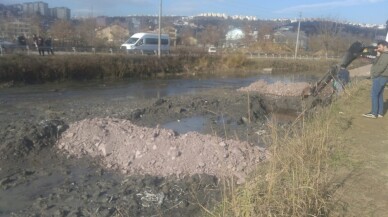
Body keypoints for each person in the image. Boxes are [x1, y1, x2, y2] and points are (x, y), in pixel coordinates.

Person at [362, 40, 388, 118]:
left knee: (374, 94)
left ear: (385, 46)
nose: (378, 48)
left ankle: (373, 113)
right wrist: (378, 55)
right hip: (382, 77)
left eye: (379, 47)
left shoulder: (386, 55)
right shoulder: (383, 54)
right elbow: (374, 63)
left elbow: (381, 67)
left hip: (380, 77)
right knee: (379, 94)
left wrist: (375, 75)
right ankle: (380, 113)